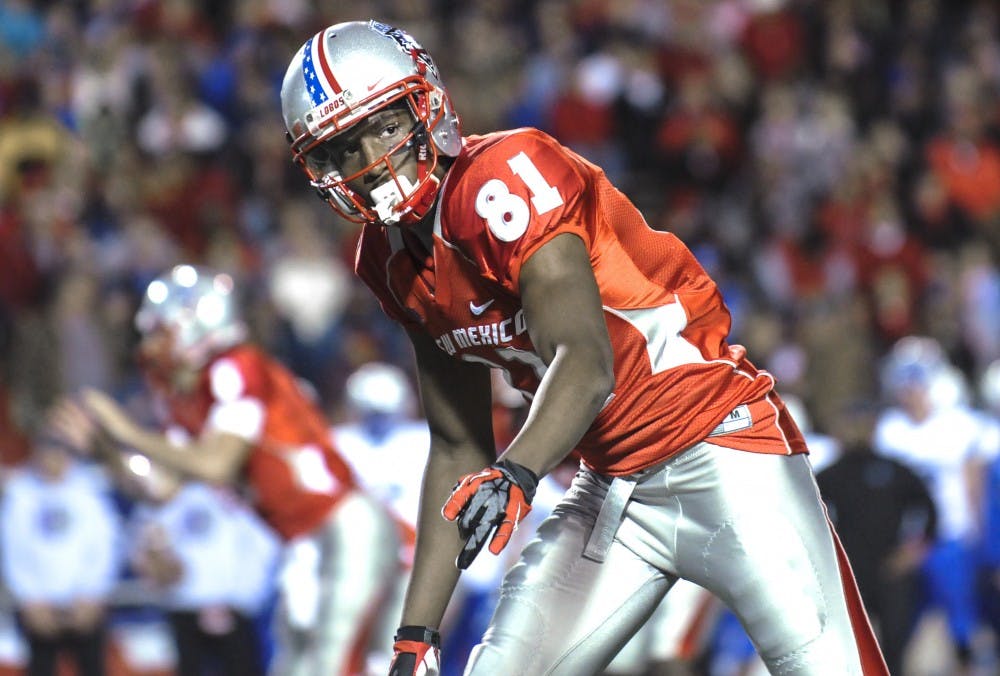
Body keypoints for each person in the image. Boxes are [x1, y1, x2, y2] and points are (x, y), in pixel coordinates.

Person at [279, 20, 888, 675]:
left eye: (382, 127)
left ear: (425, 105)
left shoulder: (503, 178)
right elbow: (457, 445)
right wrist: (414, 637)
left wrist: (517, 471)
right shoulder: (386, 258)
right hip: (612, 492)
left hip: (720, 447)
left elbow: (587, 362)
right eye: (341, 149)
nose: (367, 160)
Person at [63, 264, 399, 676]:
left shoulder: (236, 366)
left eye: (158, 330)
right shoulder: (192, 400)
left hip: (344, 528)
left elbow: (216, 465)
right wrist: (106, 452)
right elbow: (161, 488)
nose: (150, 346)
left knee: (331, 663)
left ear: (191, 325)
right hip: (303, 542)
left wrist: (128, 431)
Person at [872, 336, 998, 674]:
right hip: (909, 545)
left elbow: (976, 479)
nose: (911, 391)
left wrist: (978, 530)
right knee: (903, 628)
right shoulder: (890, 430)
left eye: (917, 383)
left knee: (963, 622)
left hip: (952, 538)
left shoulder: (958, 424)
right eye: (905, 383)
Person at [816, 403, 938, 675]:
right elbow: (807, 510)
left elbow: (928, 506)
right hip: (851, 571)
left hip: (891, 569)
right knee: (849, 644)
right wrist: (825, 553)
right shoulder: (832, 474)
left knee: (895, 642)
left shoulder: (893, 470)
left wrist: (916, 549)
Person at [0, 429, 123, 676]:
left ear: (69, 456)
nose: (51, 461)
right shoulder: (21, 493)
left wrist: (92, 592)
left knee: (93, 668)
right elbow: (12, 550)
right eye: (45, 453)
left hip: (85, 604)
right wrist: (30, 598)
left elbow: (105, 546)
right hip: (38, 607)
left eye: (57, 453)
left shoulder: (89, 490)